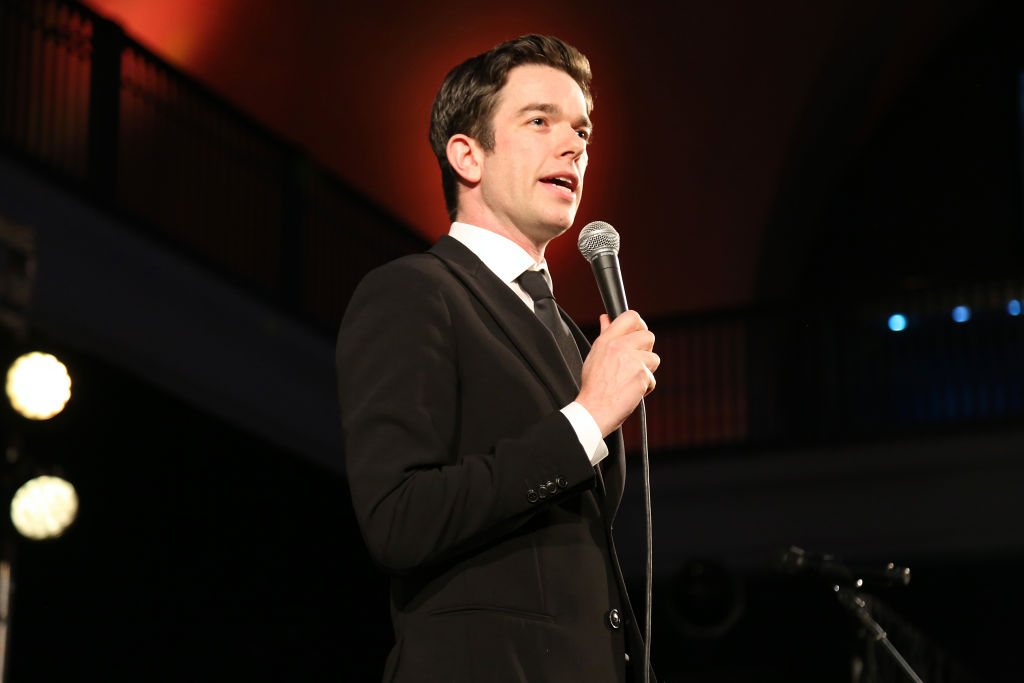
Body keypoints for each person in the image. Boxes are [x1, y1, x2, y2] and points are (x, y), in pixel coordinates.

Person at [336, 34, 660, 683]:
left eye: (581, 131)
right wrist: (586, 420)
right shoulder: (413, 290)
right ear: (467, 154)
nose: (573, 146)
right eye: (539, 121)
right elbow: (397, 518)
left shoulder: (570, 333)